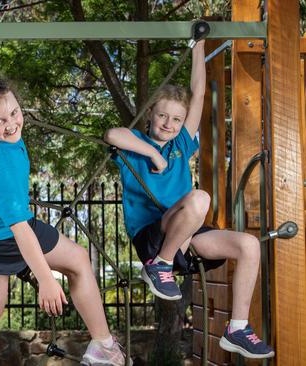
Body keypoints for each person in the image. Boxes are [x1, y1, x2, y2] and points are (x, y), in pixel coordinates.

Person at [104, 40, 274, 359]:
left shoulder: (182, 143)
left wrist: (198, 47)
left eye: (176, 119)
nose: (169, 124)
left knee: (249, 245)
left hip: (187, 236)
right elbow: (113, 135)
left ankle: (237, 328)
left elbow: (198, 95)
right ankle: (160, 265)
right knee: (199, 199)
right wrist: (153, 153)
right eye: (162, 116)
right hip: (153, 238)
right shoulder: (135, 142)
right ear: (150, 114)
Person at [0, 74, 129, 366]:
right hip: (3, 232)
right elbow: (21, 230)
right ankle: (104, 346)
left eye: (14, 112)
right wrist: (46, 279)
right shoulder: (3, 164)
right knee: (77, 259)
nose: (10, 124)